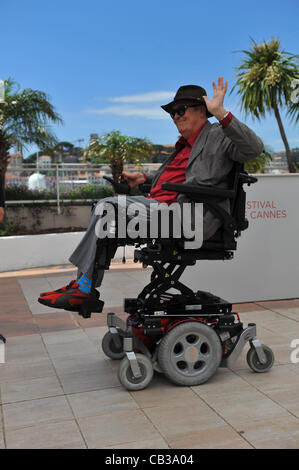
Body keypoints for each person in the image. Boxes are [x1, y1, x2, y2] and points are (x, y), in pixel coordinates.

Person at [38, 77, 263, 311]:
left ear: (202, 111)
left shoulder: (218, 135)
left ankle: (83, 288)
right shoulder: (184, 145)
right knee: (105, 213)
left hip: (191, 216)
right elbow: (180, 178)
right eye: (172, 113)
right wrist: (144, 179)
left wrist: (221, 113)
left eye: (181, 110)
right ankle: (84, 286)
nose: (176, 117)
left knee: (107, 208)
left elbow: (254, 148)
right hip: (164, 208)